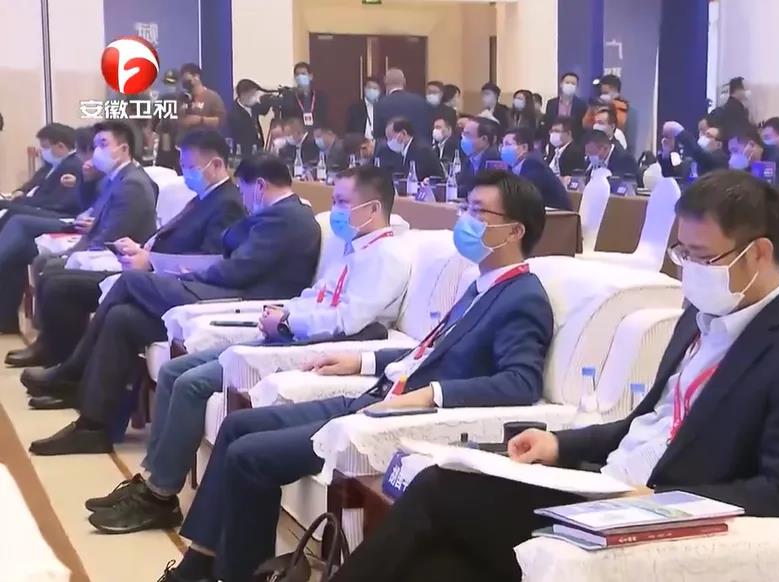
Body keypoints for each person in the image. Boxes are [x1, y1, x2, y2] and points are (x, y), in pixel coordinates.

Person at [331, 169, 779, 582]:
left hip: (646, 507)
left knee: (440, 492)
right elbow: (648, 422)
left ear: (758, 253)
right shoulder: (700, 314)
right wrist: (559, 444)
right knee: (441, 561)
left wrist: (669, 503)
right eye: (682, 253)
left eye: (701, 256)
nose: (688, 270)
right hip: (602, 484)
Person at [155, 170, 555, 582]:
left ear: (514, 231)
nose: (465, 220)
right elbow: (431, 353)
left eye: (478, 212)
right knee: (239, 425)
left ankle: (229, 574)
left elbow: (520, 382)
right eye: (465, 208)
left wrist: (430, 395)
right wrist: (362, 361)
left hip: (398, 416)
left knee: (250, 456)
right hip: (377, 392)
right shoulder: (480, 285)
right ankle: (202, 561)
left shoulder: (522, 297)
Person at [82, 165, 412, 535]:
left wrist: (288, 321)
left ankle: (160, 497)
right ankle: (153, 482)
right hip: (288, 331)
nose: (335, 210)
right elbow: (315, 297)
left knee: (192, 383)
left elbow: (346, 321)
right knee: (175, 371)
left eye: (342, 202)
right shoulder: (354, 249)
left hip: (317, 346)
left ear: (372, 208)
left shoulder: (388, 257)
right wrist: (282, 312)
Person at [24, 153, 322, 454]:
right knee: (123, 318)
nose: (243, 198)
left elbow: (238, 269)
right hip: (223, 289)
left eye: (244, 190)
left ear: (259, 185)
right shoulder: (277, 214)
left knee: (130, 281)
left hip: (239, 298)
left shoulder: (285, 218)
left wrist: (185, 274)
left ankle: (72, 373)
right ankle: (95, 426)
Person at [6, 129, 247, 370]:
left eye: (190, 166)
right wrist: (141, 248)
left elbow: (209, 259)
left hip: (168, 280)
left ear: (216, 164)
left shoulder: (226, 203)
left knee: (63, 286)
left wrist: (151, 259)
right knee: (55, 279)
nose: (185, 173)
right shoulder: (204, 197)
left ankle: (67, 366)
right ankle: (59, 359)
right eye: (182, 166)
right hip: (148, 267)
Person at [0, 121, 157, 335]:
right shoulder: (114, 178)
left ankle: (54, 345)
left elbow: (113, 234)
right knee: (30, 256)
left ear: (123, 149)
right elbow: (90, 210)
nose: (97, 152)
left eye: (103, 144)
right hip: (95, 242)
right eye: (96, 145)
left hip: (116, 255)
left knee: (51, 269)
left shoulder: (132, 183)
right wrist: (87, 181)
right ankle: (37, 335)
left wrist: (73, 253)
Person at [0, 123, 84, 228]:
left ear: (60, 146)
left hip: (58, 213)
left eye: (45, 147)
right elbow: (32, 184)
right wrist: (21, 191)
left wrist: (21, 200)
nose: (41, 151)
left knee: (11, 210)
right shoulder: (50, 165)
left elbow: (57, 202)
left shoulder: (72, 166)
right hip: (35, 204)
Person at [501, 127, 571, 210]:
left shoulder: (535, 165)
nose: (503, 149)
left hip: (556, 215)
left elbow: (523, 197)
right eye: (502, 145)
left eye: (508, 144)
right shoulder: (513, 166)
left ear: (524, 147)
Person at [727, 127, 779, 193]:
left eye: (735, 151)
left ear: (751, 145)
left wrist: (757, 165)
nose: (733, 156)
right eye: (731, 152)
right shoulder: (748, 165)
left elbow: (770, 193)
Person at [374, 117, 444, 182]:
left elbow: (416, 177)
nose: (389, 142)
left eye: (390, 137)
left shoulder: (421, 151)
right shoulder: (402, 152)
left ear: (403, 133)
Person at [374, 68, 430, 143]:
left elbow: (378, 134)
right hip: (418, 146)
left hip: (391, 148)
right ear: (404, 81)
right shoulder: (420, 101)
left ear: (385, 81)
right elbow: (426, 128)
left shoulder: (380, 104)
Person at [659, 120, 728, 179]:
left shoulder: (721, 160)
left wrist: (680, 132)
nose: (703, 137)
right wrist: (666, 153)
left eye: (708, 135)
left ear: (718, 144)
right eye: (703, 134)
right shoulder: (689, 162)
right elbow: (669, 176)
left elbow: (701, 155)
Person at [176, 63, 226, 140]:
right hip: (184, 141)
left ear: (196, 77)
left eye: (187, 80)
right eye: (183, 81)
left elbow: (221, 121)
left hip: (205, 141)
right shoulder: (181, 98)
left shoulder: (212, 97)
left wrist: (200, 120)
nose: (185, 83)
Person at [458, 118, 502, 199]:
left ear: (484, 139)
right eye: (463, 134)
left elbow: (485, 190)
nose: (463, 139)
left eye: (467, 135)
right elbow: (461, 185)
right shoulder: (469, 158)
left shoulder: (495, 160)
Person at [228, 79, 273, 157]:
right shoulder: (234, 112)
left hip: (258, 145)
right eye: (252, 94)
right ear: (243, 94)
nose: (254, 97)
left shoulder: (253, 106)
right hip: (244, 150)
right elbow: (240, 132)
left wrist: (268, 100)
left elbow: (263, 111)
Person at [279, 62, 329, 130]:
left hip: (317, 131)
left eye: (303, 74)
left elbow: (323, 118)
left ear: (310, 76)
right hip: (296, 132)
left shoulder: (320, 96)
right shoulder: (289, 97)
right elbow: (286, 120)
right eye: (297, 74)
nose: (300, 77)